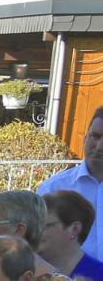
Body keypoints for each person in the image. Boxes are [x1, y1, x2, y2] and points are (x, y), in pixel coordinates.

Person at [35, 107, 103, 264]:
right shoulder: (54, 189)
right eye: (96, 136)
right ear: (85, 138)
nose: (99, 147)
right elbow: (36, 242)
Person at [39, 189, 103, 281]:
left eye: (44, 226)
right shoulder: (25, 272)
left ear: (75, 229)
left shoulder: (99, 277)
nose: (35, 231)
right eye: (34, 225)